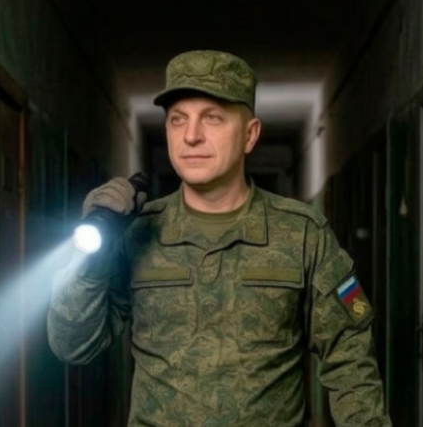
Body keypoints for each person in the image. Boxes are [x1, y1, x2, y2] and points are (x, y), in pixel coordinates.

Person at [48, 50, 392, 427]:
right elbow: (72, 346)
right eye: (178, 119)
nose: (191, 136)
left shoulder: (302, 233)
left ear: (250, 135)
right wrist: (89, 259)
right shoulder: (133, 233)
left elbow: (350, 358)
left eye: (212, 118)